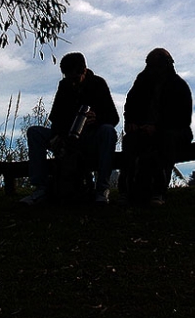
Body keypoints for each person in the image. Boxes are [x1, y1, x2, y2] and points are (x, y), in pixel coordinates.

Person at [20, 52, 120, 205]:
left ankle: (102, 190)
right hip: (66, 138)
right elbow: (56, 118)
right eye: (68, 78)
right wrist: (57, 136)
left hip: (90, 138)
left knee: (108, 132)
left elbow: (113, 118)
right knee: (34, 132)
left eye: (75, 78)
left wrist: (97, 119)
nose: (72, 83)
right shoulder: (64, 86)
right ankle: (41, 189)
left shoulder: (98, 84)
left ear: (84, 71)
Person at [121, 48, 194, 206]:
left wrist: (157, 128)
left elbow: (182, 118)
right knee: (130, 142)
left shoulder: (178, 86)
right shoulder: (141, 84)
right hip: (144, 131)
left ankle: (159, 191)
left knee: (165, 141)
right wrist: (131, 123)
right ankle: (128, 190)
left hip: (174, 132)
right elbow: (130, 106)